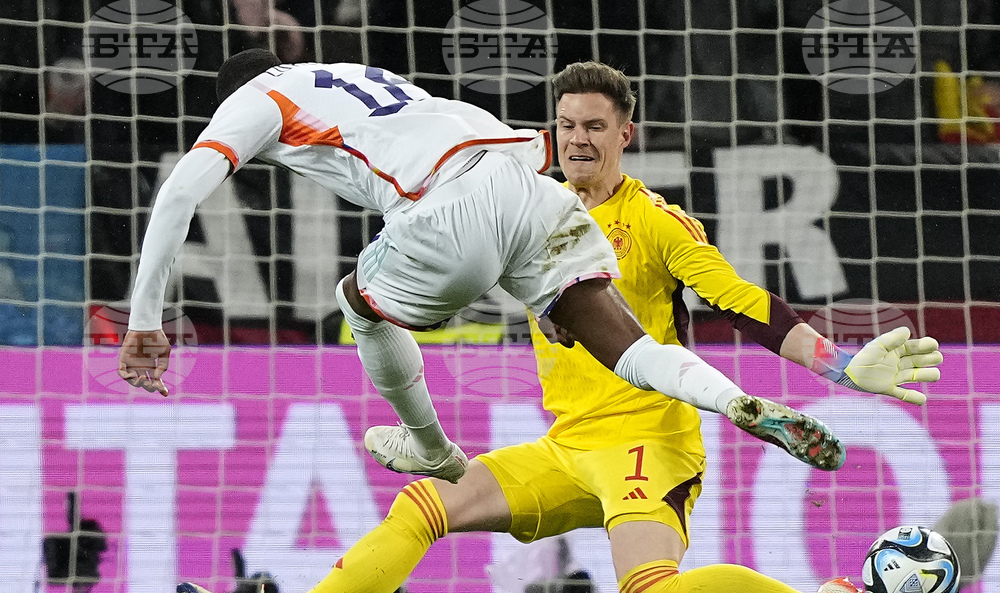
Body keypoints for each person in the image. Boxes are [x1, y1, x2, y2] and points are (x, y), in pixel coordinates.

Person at [176, 61, 942, 593]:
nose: (579, 139)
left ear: (625, 134)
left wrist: (838, 364)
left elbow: (741, 302)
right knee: (425, 505)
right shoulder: (527, 207)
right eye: (568, 125)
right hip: (568, 444)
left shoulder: (656, 221)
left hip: (648, 440)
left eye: (595, 127)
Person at [117, 49, 851, 483]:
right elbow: (486, 199)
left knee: (356, 301)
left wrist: (146, 321)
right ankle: (735, 401)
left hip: (444, 206)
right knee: (628, 347)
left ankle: (433, 450)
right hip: (520, 180)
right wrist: (531, 283)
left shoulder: (256, 97)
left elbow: (180, 191)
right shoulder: (354, 75)